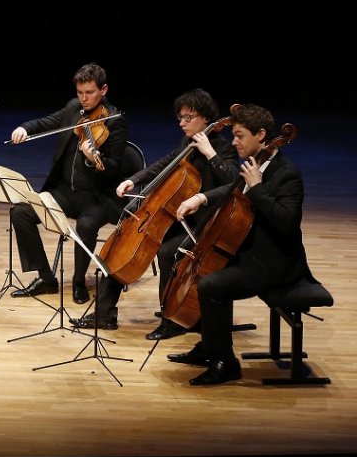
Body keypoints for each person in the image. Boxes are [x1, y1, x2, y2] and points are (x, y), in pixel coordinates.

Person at [72, 89, 238, 335]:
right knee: (124, 246)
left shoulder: (225, 149)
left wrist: (210, 154)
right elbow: (164, 163)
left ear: (205, 118)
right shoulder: (187, 144)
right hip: (175, 217)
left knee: (167, 252)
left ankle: (171, 320)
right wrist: (134, 180)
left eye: (188, 118)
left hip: (203, 222)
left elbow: (233, 181)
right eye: (180, 118)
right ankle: (105, 313)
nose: (182, 123)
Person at [168, 103, 311, 385]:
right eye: (233, 135)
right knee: (207, 270)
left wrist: (258, 189)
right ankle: (209, 347)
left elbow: (286, 223)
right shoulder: (254, 165)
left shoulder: (287, 174)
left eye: (240, 135)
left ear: (261, 135)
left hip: (275, 263)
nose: (234, 142)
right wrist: (202, 198)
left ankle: (225, 362)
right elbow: (235, 186)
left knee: (210, 286)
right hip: (251, 250)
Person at [7, 62, 128, 304]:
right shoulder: (74, 109)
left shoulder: (115, 121)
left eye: (90, 93)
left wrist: (94, 159)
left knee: (85, 226)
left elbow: (114, 167)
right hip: (63, 192)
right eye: (80, 92)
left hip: (95, 197)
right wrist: (24, 128)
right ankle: (45, 277)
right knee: (20, 212)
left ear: (103, 90)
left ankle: (80, 281)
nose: (83, 99)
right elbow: (46, 122)